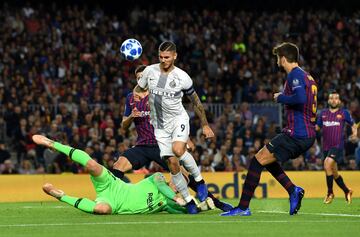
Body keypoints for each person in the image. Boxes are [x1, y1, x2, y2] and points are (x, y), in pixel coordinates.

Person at [113, 65, 232, 212]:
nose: (141, 79)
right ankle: (113, 199)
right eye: (138, 77)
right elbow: (123, 126)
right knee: (119, 165)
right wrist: (131, 116)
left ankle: (217, 203)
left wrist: (184, 138)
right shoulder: (131, 98)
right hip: (142, 145)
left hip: (162, 144)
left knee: (184, 174)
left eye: (143, 76)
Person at [222, 42, 317, 216]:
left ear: (283, 58)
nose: (277, 61)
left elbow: (301, 98)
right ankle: (293, 190)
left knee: (257, 160)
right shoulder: (308, 77)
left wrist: (281, 97)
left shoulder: (294, 75)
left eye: (277, 57)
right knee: (267, 159)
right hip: (306, 133)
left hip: (297, 134)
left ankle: (243, 207)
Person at [135, 41, 215, 214]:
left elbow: (196, 102)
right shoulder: (149, 71)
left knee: (178, 150)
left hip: (178, 118)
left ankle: (200, 182)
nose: (164, 60)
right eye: (161, 57)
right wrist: (137, 95)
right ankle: (188, 200)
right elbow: (139, 88)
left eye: (167, 57)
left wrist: (205, 125)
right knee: (172, 163)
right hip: (159, 125)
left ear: (175, 56)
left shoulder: (182, 77)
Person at [33, 134, 189, 214]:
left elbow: (185, 210)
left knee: (102, 210)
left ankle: (61, 196)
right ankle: (54, 144)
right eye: (179, 180)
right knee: (92, 165)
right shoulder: (158, 177)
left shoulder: (167, 205)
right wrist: (177, 198)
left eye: (183, 185)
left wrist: (195, 206)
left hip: (113, 204)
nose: (179, 185)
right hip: (114, 185)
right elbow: (163, 187)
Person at [316, 91, 358, 204]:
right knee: (333, 172)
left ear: (339, 101)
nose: (334, 100)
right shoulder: (323, 113)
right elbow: (316, 128)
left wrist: (354, 134)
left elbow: (354, 125)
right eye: (332, 98)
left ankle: (330, 193)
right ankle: (347, 190)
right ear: (328, 100)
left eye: (336, 98)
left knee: (327, 164)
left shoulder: (344, 113)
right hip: (325, 147)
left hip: (337, 146)